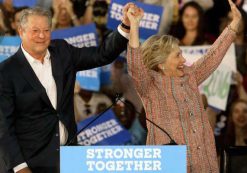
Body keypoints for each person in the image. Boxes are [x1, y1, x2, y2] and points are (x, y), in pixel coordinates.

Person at [0, 3, 140, 173]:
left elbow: (102, 55)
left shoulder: (62, 51)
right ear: (21, 32)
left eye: (46, 30)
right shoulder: (6, 72)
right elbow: (4, 127)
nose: (42, 36)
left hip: (68, 157)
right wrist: (20, 167)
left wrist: (125, 25)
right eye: (35, 31)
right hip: (30, 163)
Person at [126, 0, 241, 172]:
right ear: (161, 63)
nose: (184, 60)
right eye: (178, 55)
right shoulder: (149, 85)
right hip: (171, 164)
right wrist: (134, 26)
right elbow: (135, 63)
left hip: (205, 161)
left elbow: (213, 55)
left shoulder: (190, 75)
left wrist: (234, 25)